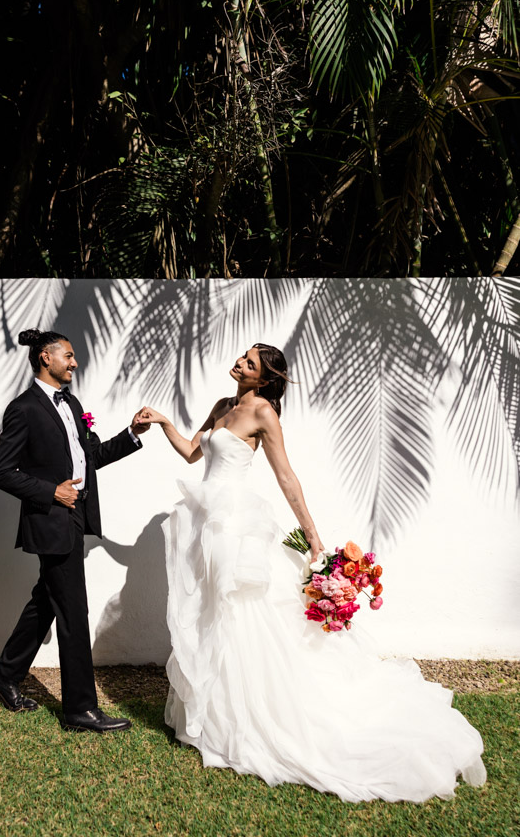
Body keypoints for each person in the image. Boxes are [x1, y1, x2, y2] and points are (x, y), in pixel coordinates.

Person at [140, 343, 487, 802]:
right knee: (208, 613)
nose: (240, 362)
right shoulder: (223, 406)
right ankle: (216, 714)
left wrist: (314, 537)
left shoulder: (262, 412)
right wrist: (164, 422)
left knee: (237, 614)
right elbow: (191, 453)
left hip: (235, 525)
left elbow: (286, 476)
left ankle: (248, 719)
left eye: (250, 363)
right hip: (203, 523)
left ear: (263, 380)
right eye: (243, 357)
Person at [0, 328, 149, 733]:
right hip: (50, 519)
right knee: (73, 611)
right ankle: (79, 710)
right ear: (45, 357)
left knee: (48, 600)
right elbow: (2, 473)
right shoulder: (23, 409)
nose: (75, 363)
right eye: (69, 356)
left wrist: (131, 435)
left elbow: (90, 457)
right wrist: (50, 491)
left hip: (75, 517)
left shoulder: (71, 403)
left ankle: (4, 678)